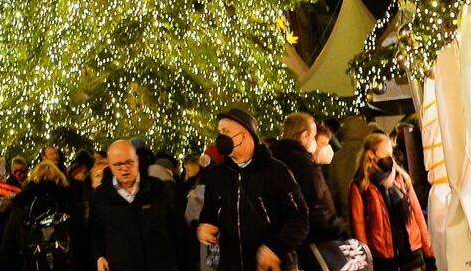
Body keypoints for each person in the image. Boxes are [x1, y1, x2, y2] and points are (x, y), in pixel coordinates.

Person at [197, 108, 308, 271]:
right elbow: (209, 212)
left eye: (226, 131)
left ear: (244, 135)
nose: (220, 137)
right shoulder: (217, 175)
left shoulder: (276, 171)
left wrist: (276, 248)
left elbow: (299, 218)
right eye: (219, 132)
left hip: (270, 267)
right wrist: (206, 225)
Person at [90, 139, 187, 271]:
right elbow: (95, 232)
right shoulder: (101, 196)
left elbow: (179, 230)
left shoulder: (159, 189)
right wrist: (99, 256)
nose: (124, 169)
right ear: (110, 165)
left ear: (137, 160)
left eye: (129, 162)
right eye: (118, 165)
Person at [348, 132, 433, 271]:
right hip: (384, 261)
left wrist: (429, 253)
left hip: (412, 255)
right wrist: (366, 264)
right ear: (371, 154)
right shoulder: (361, 187)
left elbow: (417, 216)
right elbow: (359, 229)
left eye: (390, 152)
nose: (389, 157)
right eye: (385, 153)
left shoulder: (401, 179)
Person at [268, 114, 348, 248]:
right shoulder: (302, 163)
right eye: (314, 136)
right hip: (312, 242)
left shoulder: (275, 160)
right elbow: (314, 208)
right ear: (305, 135)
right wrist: (339, 227)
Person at [1, 159, 87, 271]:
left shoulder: (22, 202)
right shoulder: (68, 200)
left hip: (32, 264)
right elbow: (81, 239)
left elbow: (9, 244)